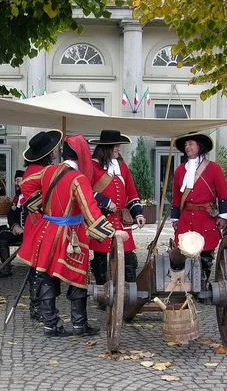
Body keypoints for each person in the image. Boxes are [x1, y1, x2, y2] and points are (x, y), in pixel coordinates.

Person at [17, 134, 129, 337]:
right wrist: (113, 233)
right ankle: (79, 324)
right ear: (82, 157)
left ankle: (50, 324)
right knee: (78, 278)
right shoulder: (79, 179)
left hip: (48, 230)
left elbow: (26, 185)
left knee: (48, 276)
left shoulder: (48, 171)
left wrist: (40, 206)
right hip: (72, 236)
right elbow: (91, 210)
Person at [170, 132, 227, 285]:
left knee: (206, 254)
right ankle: (185, 284)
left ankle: (202, 284)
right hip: (186, 217)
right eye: (186, 144)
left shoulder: (214, 168)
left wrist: (223, 216)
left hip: (205, 217)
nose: (187, 147)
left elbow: (223, 193)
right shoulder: (179, 170)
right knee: (183, 252)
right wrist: (175, 218)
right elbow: (176, 198)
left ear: (199, 146)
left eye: (191, 143)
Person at [88, 130, 145, 288]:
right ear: (106, 147)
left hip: (121, 220)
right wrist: (105, 201)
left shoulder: (122, 166)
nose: (119, 148)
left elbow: (131, 192)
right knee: (100, 258)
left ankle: (129, 293)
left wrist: (138, 213)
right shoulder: (92, 167)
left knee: (129, 258)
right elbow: (85, 192)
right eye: (116, 146)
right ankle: (102, 292)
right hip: (101, 219)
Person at [21, 129, 63, 322]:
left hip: (38, 223)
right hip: (41, 224)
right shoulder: (40, 172)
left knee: (39, 265)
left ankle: (39, 305)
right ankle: (37, 306)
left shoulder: (36, 170)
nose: (56, 151)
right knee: (40, 266)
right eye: (54, 149)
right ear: (49, 153)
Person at [0, 170, 25, 278]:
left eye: (18, 181)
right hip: (19, 232)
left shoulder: (33, 196)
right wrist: (14, 226)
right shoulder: (17, 199)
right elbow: (10, 215)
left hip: (32, 233)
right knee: (1, 237)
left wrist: (26, 229)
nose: (16, 183)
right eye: (15, 181)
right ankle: (6, 268)